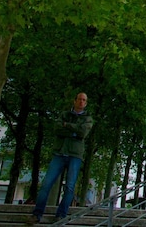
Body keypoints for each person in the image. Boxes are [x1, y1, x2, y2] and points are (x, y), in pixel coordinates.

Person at [30, 93, 94, 223]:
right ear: (74, 101)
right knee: (46, 184)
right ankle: (37, 214)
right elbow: (57, 129)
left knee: (70, 187)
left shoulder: (88, 119)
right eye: (79, 99)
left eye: (84, 100)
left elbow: (83, 133)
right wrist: (74, 131)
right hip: (59, 153)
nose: (81, 102)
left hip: (75, 155)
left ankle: (61, 214)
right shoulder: (64, 115)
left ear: (86, 103)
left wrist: (67, 126)